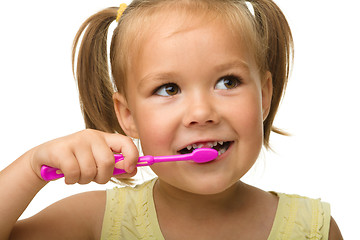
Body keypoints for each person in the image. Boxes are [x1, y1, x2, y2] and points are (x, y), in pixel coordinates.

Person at [0, 0, 343, 239]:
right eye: (168, 88)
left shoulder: (315, 229)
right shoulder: (95, 220)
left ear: (264, 95)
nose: (201, 113)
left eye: (228, 82)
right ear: (128, 116)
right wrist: (31, 169)